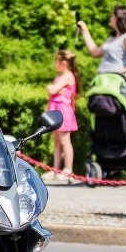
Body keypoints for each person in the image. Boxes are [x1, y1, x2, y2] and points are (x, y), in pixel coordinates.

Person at [77, 5, 126, 74]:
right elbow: (95, 52)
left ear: (119, 18)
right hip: (103, 79)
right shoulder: (112, 39)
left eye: (113, 16)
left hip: (116, 80)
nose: (110, 18)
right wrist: (84, 30)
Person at [43, 49, 78, 182]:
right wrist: (54, 90)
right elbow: (53, 92)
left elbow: (52, 90)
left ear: (64, 63)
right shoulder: (59, 77)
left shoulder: (68, 76)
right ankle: (55, 169)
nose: (55, 64)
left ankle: (68, 170)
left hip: (63, 110)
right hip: (55, 108)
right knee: (57, 141)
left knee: (65, 141)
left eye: (56, 61)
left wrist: (52, 88)